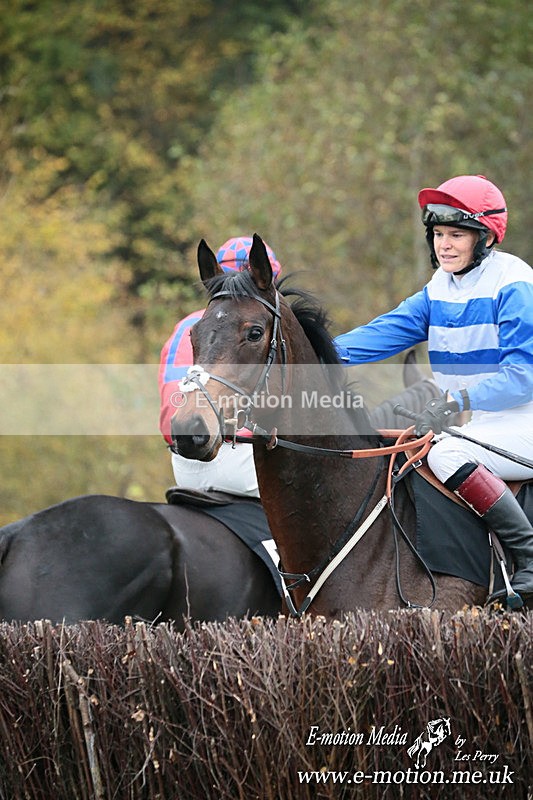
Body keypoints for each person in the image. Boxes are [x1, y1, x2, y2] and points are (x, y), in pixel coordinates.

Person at [335, 174, 533, 604]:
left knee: (445, 453)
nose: (444, 245)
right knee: (403, 453)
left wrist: (456, 400)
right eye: (439, 234)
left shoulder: (515, 283)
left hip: (525, 422)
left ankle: (529, 555)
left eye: (456, 235)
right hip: (485, 424)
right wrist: (316, 352)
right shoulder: (439, 288)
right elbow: (384, 332)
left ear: (485, 237)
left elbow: (524, 376)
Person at [159, 236, 283, 497]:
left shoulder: (188, 326)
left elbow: (172, 401)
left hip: (183, 464)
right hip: (236, 457)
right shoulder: (260, 324)